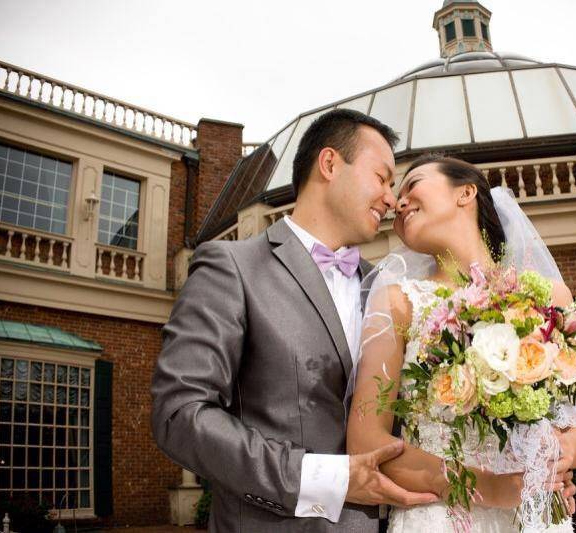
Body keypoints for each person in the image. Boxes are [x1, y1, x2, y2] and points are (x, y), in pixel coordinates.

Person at [151, 109, 441, 532]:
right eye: (382, 178)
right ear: (329, 164)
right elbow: (180, 415)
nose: (392, 199)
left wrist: (520, 477)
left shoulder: (388, 289)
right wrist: (325, 479)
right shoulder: (231, 267)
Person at [347, 155, 576, 532]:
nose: (397, 204)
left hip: (534, 514)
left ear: (466, 192)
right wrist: (487, 487)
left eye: (412, 184)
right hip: (440, 518)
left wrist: (558, 457)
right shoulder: (396, 302)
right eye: (396, 198)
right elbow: (367, 444)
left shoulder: (547, 297)